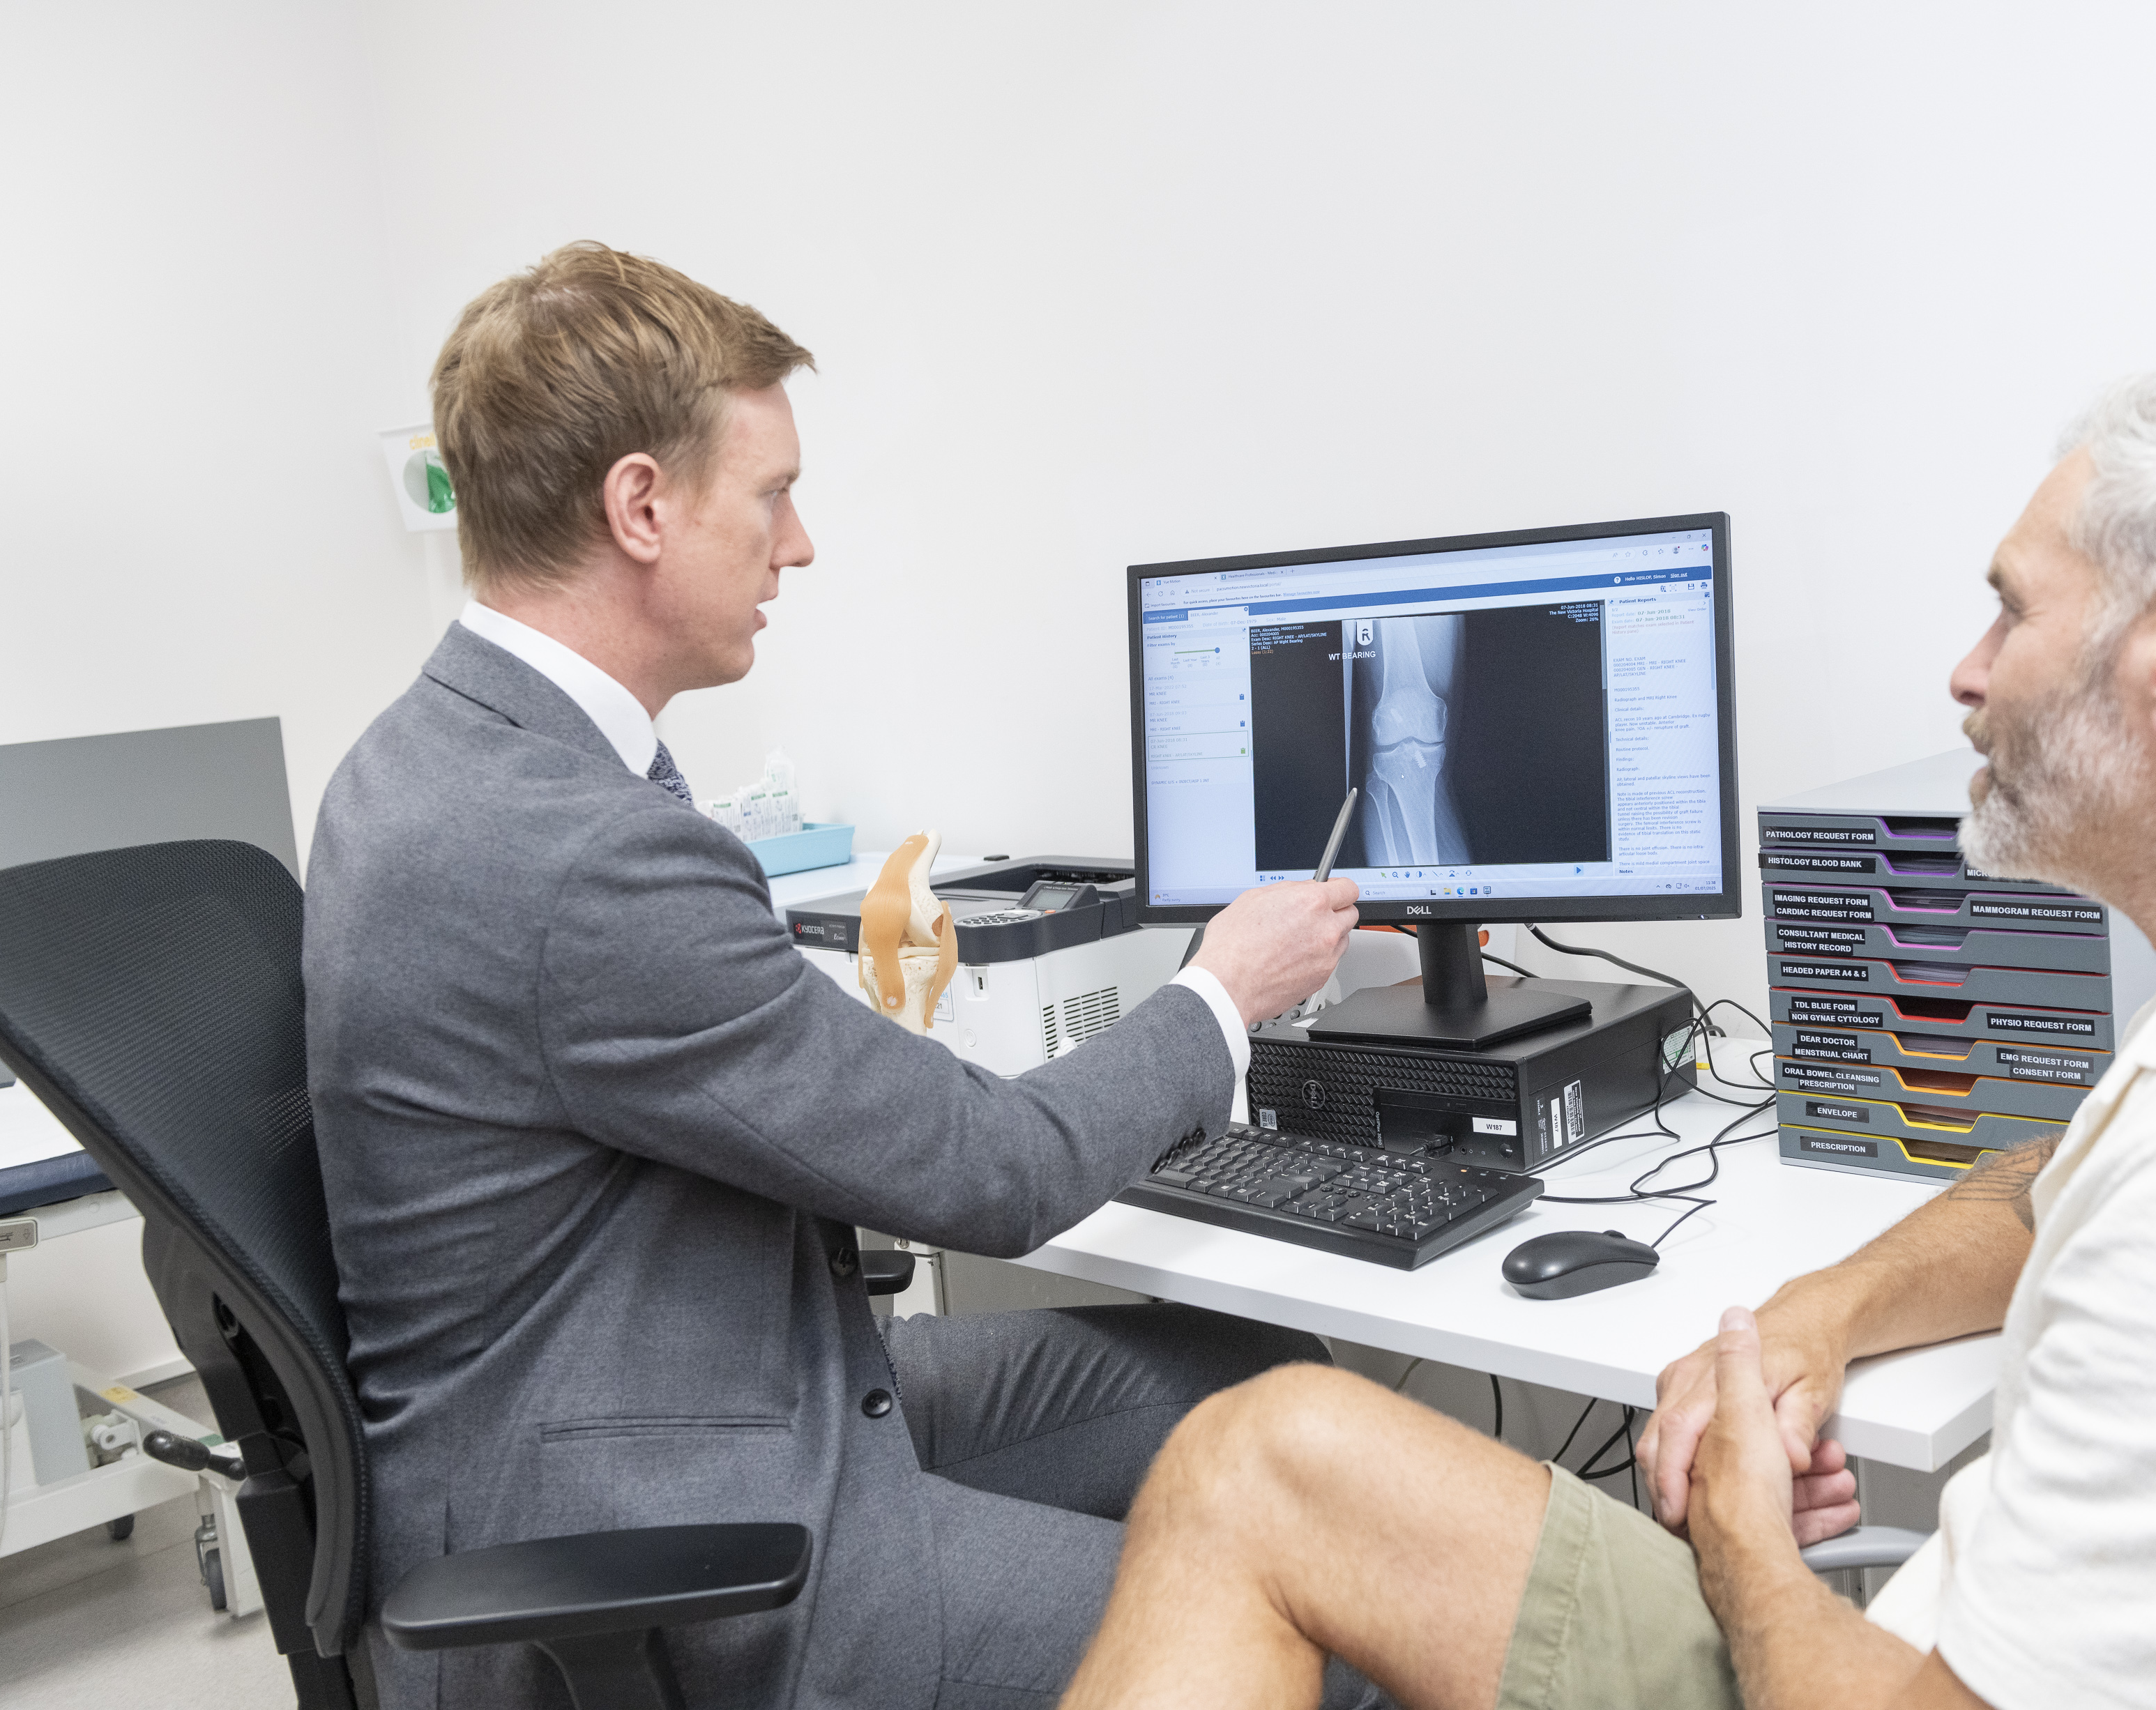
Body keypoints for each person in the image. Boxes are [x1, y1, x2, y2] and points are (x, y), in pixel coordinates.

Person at [1058, 352, 2156, 1710]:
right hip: (1914, 1641)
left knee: (1249, 1470)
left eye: (2012, 608)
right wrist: (1810, 1318)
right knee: (1264, 1449)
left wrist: (1740, 1539)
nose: (1968, 674)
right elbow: (2057, 1188)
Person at [303, 243, 1373, 1710]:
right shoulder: (577, 854)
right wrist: (1219, 994)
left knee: (1255, 1389)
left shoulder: (428, 752)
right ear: (639, 506)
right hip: (652, 1532)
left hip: (681, 1403)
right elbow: (995, 1176)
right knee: (1329, 1642)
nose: (797, 545)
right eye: (772, 495)